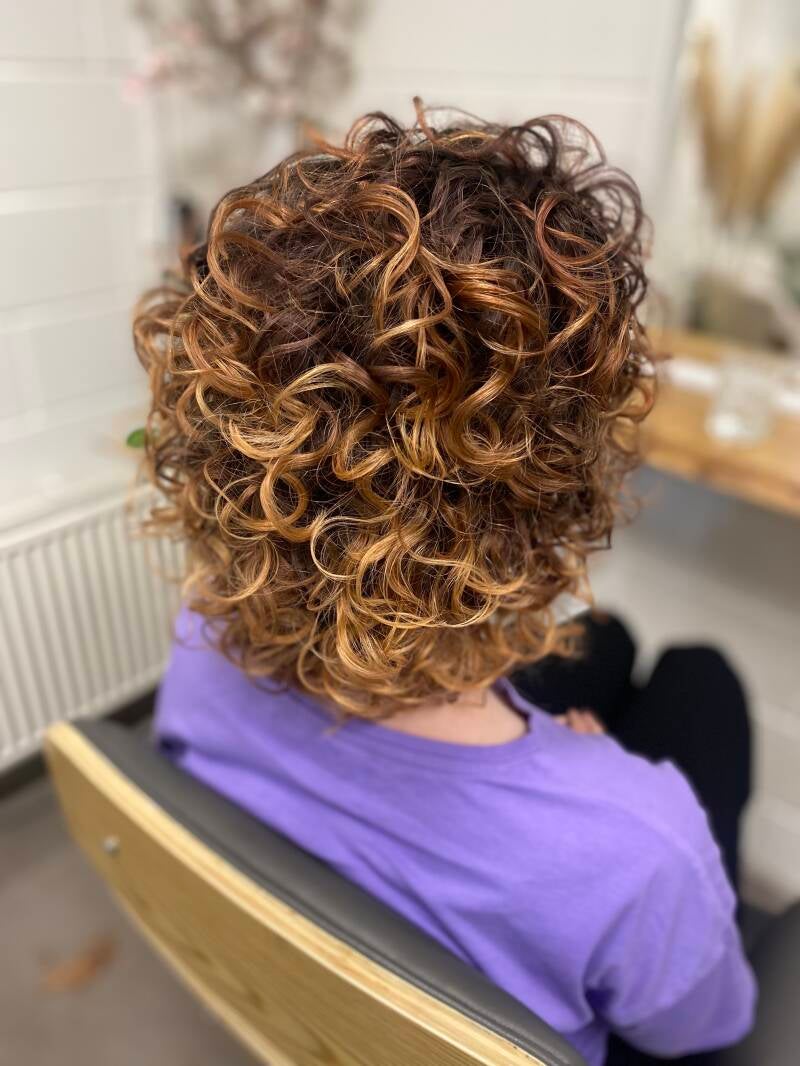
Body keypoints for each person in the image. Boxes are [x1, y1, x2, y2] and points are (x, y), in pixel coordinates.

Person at [135, 105, 756, 1066]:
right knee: (701, 679)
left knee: (611, 643)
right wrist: (601, 791)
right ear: (555, 484)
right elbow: (706, 1029)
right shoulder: (641, 849)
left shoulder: (195, 637)